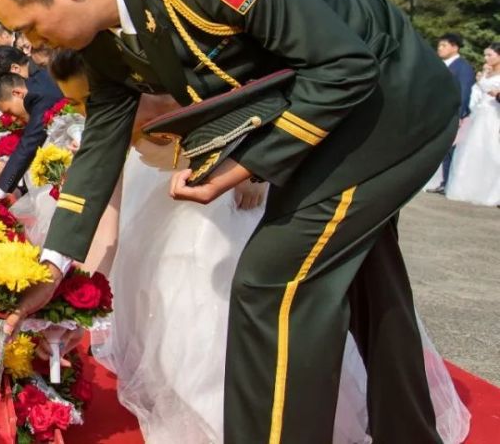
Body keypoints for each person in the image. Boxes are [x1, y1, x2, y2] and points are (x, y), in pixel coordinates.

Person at [0, 0, 460, 444]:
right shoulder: (105, 44)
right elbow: (99, 152)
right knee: (367, 276)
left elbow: (346, 66)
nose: (31, 45)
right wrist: (53, 266)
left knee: (271, 282)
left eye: (29, 26)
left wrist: (243, 166)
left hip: (390, 100)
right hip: (336, 118)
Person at [32, 49, 470, 444]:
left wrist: (258, 169)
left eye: (95, 98)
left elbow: (295, 101)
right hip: (167, 217)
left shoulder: (199, 79)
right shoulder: (112, 128)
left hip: (242, 204)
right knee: (173, 321)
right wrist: (78, 306)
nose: (93, 112)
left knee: (242, 314)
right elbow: (106, 225)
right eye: (78, 104)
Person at [0, 46, 64, 213]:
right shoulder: (37, 81)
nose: (13, 118)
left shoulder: (40, 93)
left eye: (7, 79)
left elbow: (28, 145)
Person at [446, 43, 500, 206]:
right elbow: (476, 92)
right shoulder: (487, 72)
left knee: (491, 151)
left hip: (494, 116)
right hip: (479, 115)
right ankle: (465, 188)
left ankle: (489, 192)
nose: (486, 58)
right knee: (471, 150)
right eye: (485, 55)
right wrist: (483, 75)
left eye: (490, 55)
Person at [428, 33, 477, 194]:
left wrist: (459, 114)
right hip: (436, 112)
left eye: (444, 45)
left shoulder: (462, 67)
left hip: (452, 114)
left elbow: (464, 91)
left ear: (455, 47)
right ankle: (441, 181)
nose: (439, 48)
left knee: (449, 149)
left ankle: (447, 182)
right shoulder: (439, 64)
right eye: (439, 45)